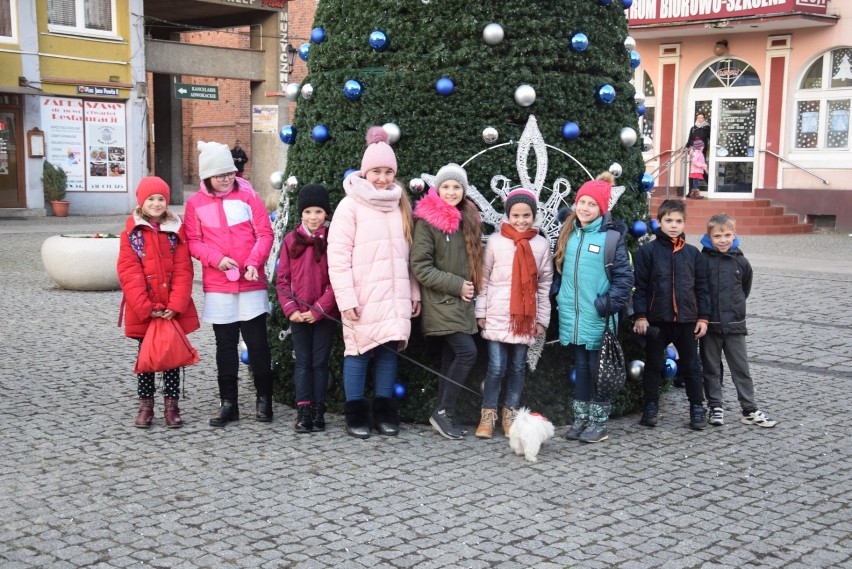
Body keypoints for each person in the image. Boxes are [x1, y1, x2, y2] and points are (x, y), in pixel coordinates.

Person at [328, 127, 421, 439]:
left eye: (388, 172)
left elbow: (409, 255)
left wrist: (414, 291)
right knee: (358, 352)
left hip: (395, 295)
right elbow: (337, 256)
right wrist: (347, 299)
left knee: (388, 352)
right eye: (376, 172)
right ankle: (355, 413)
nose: (382, 178)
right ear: (365, 172)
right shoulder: (350, 205)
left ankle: (384, 413)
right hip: (363, 296)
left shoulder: (401, 205)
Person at [184, 140, 275, 427]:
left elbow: (265, 234)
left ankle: (264, 400)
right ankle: (229, 403)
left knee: (258, 343)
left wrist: (252, 262)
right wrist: (215, 259)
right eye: (220, 174)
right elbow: (193, 242)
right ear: (206, 177)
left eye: (229, 172)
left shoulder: (249, 198)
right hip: (219, 285)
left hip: (250, 282)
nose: (226, 178)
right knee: (225, 346)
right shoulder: (195, 204)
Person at [554, 174, 632, 443]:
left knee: (598, 369)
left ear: (602, 209)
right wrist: (558, 295)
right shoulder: (569, 233)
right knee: (582, 368)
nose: (585, 208)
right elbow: (559, 269)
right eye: (581, 202)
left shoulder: (610, 239)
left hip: (598, 316)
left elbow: (624, 279)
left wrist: (605, 305)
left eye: (592, 204)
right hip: (573, 316)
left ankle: (599, 422)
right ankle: (581, 418)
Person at [117, 176, 199, 429]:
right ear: (142, 202)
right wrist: (147, 308)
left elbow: (184, 270)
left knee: (171, 359)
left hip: (171, 310)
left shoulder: (176, 231)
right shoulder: (131, 233)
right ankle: (146, 405)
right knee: (147, 360)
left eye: (161, 198)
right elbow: (129, 273)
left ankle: (171, 406)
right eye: (151, 199)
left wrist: (175, 305)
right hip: (146, 311)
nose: (156, 203)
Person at [410, 163, 484, 440]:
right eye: (446, 186)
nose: (451, 192)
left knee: (452, 357)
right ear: (437, 189)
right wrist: (456, 286)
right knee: (467, 353)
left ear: (464, 191)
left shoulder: (468, 217)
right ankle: (442, 411)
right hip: (443, 301)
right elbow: (420, 266)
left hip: (462, 303)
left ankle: (445, 413)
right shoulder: (428, 222)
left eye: (456, 187)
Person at [473, 189, 552, 439]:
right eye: (516, 215)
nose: (521, 220)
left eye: (526, 215)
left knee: (518, 367)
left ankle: (510, 416)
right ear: (507, 216)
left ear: (533, 215)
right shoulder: (496, 241)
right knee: (496, 368)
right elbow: (484, 278)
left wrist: (542, 319)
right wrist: (481, 310)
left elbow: (544, 284)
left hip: (525, 318)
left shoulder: (540, 244)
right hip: (497, 313)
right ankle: (487, 416)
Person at [633, 199, 711, 430]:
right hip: (657, 319)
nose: (674, 225)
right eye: (669, 220)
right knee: (653, 365)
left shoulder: (692, 253)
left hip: (687, 320)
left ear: (685, 223)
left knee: (692, 366)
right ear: (660, 222)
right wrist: (640, 315)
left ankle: (697, 407)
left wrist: (703, 318)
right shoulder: (648, 252)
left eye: (678, 221)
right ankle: (650, 407)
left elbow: (702, 288)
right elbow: (640, 287)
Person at [700, 214, 777, 428]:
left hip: (734, 326)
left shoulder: (741, 262)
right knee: (711, 369)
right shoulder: (703, 260)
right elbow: (699, 290)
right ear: (709, 237)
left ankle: (749, 409)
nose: (723, 240)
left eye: (727, 235)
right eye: (717, 236)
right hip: (710, 327)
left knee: (741, 369)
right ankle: (715, 406)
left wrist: (735, 310)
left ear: (735, 235)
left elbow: (745, 288)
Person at [276, 184, 339, 433]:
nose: (314, 217)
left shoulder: (334, 239)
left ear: (326, 214)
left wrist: (319, 310)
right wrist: (291, 309)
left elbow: (337, 279)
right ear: (301, 213)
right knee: (303, 363)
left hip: (323, 314)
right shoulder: (292, 239)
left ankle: (318, 410)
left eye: (319, 212)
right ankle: (303, 411)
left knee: (320, 363)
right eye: (308, 212)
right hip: (297, 314)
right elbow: (282, 279)